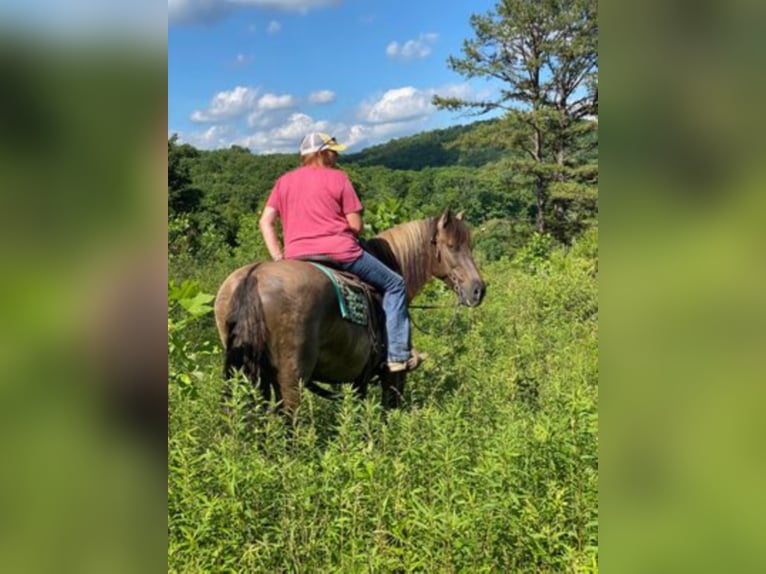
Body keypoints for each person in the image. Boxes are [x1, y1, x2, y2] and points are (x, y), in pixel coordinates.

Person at [259, 132, 426, 373]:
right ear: (322, 153)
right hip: (341, 253)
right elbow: (356, 226)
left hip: (297, 257)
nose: (336, 156)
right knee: (395, 284)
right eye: (333, 152)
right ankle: (398, 355)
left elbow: (266, 221)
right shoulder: (339, 179)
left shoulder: (284, 182)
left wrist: (277, 258)